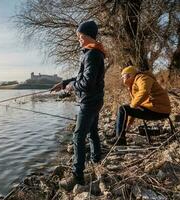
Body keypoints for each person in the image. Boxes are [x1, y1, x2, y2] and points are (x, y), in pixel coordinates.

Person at [51, 20, 105, 190]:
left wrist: (72, 86)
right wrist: (65, 82)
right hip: (94, 100)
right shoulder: (92, 53)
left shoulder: (92, 55)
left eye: (80, 36)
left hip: (89, 102)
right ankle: (97, 160)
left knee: (78, 136)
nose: (79, 40)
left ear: (89, 36)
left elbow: (87, 83)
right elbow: (81, 77)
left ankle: (77, 176)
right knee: (93, 131)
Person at [107, 66, 171, 145]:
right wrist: (129, 124)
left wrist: (132, 105)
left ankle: (120, 139)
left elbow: (144, 92)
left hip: (158, 110)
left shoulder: (142, 78)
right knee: (124, 109)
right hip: (153, 109)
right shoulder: (134, 84)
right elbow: (135, 106)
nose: (123, 79)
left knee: (123, 108)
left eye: (123, 76)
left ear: (129, 75)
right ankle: (116, 135)